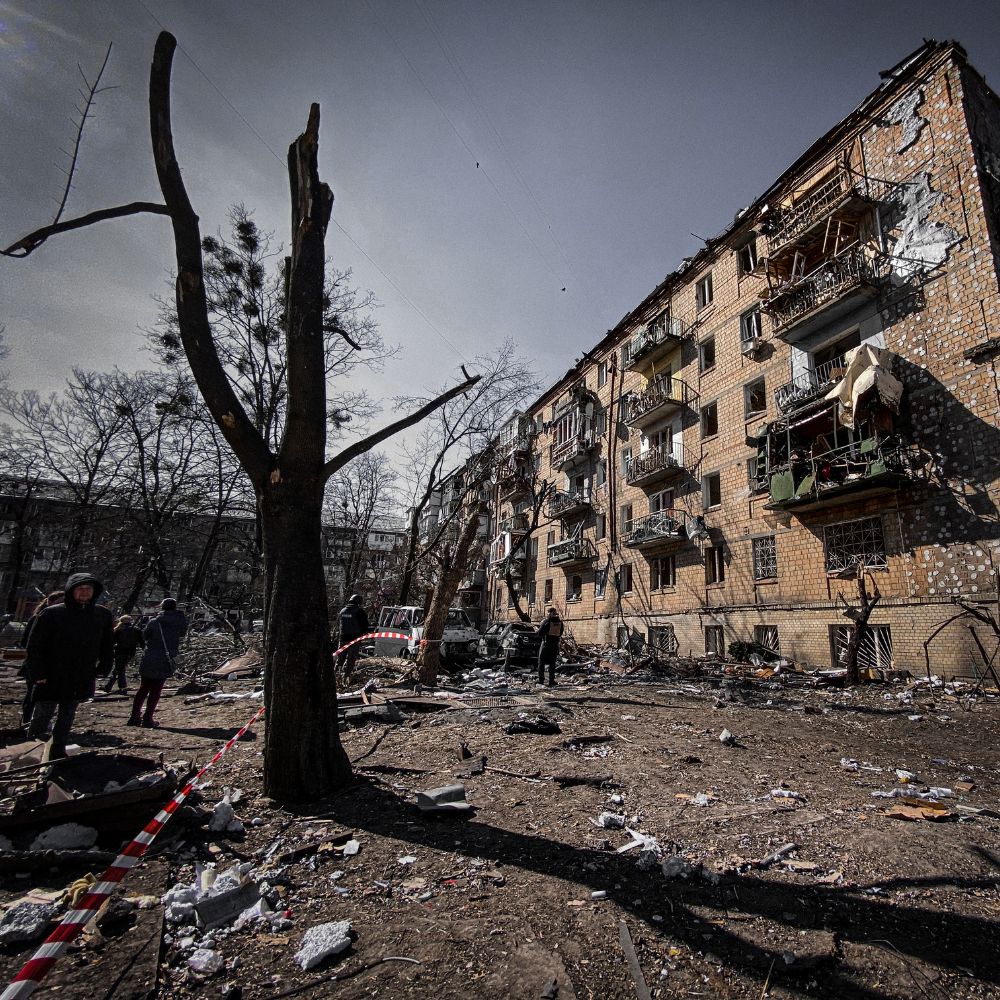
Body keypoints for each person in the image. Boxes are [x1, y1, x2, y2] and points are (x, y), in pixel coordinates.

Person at [25, 575, 113, 759]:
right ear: (71, 590)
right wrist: (38, 672)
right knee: (42, 715)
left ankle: (57, 753)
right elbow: (35, 645)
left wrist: (104, 667)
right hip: (51, 673)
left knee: (67, 716)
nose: (84, 593)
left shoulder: (101, 615)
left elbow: (106, 644)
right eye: (80, 588)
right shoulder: (52, 613)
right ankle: (31, 754)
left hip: (80, 674)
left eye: (88, 589)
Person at [129, 598, 187, 728]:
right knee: (156, 689)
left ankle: (134, 716)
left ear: (162, 607)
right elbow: (182, 634)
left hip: (150, 656)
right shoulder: (179, 621)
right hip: (166, 658)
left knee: (143, 688)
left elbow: (145, 636)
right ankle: (148, 718)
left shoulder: (155, 621)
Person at [18, 591, 64, 726]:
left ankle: (40, 724)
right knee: (32, 695)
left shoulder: (63, 621)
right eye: (60, 602)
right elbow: (26, 642)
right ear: (50, 602)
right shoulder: (39, 618)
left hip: (54, 665)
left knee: (47, 697)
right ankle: (27, 722)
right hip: (37, 663)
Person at [102, 615, 145, 695]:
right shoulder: (137, 630)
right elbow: (142, 642)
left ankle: (122, 687)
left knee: (120, 670)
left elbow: (112, 642)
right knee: (119, 669)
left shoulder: (119, 630)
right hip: (131, 652)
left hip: (120, 651)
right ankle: (108, 686)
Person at [335, 594, 369, 680]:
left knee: (340, 659)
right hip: (354, 640)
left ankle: (335, 676)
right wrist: (364, 633)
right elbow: (365, 625)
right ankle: (346, 678)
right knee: (351, 660)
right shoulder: (359, 611)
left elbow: (338, 625)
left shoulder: (342, 611)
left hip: (342, 639)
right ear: (359, 602)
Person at [534, 606, 564, 687]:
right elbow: (561, 633)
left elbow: (540, 633)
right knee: (552, 663)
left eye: (548, 613)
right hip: (555, 645)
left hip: (546, 644)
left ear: (550, 613)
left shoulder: (546, 622)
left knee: (541, 662)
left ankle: (541, 680)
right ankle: (551, 680)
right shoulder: (560, 622)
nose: (547, 614)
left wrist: (537, 631)